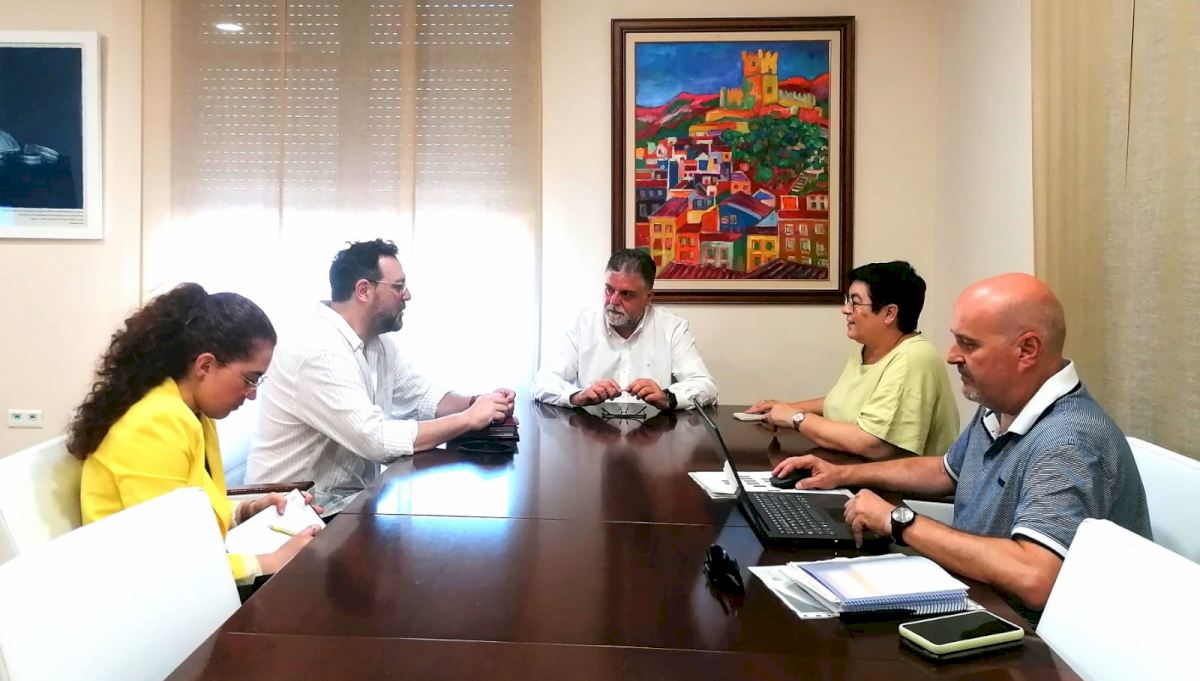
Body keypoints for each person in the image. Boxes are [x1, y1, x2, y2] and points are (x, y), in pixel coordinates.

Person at [772, 273, 1151, 621]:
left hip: (1034, 638)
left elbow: (1035, 577)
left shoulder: (1068, 440)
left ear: (1027, 350)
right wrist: (843, 474)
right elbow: (945, 470)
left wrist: (899, 521)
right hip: (980, 596)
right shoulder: (1002, 405)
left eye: (968, 344)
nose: (951, 355)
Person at [70, 284, 320, 586]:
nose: (252, 394)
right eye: (249, 379)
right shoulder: (155, 424)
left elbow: (186, 517)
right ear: (205, 365)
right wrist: (271, 561)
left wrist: (246, 511)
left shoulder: (192, 412)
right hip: (138, 593)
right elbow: (170, 558)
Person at [244, 239, 516, 515]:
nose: (407, 295)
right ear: (363, 290)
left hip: (342, 505)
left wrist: (479, 403)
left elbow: (421, 396)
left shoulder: (378, 343)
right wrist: (468, 419)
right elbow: (375, 439)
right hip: (288, 516)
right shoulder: (318, 349)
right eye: (398, 286)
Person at [749, 261, 959, 459]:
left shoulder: (913, 358)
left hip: (896, 484)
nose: (845, 309)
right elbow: (844, 401)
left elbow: (872, 443)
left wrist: (795, 417)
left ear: (889, 313)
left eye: (855, 303)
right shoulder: (868, 349)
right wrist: (785, 408)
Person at [531, 249, 718, 411]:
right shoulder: (582, 325)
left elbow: (706, 386)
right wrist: (577, 396)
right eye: (609, 290)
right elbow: (543, 382)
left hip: (654, 435)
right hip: (592, 433)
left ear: (648, 297)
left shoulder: (672, 328)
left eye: (626, 294)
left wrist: (668, 397)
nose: (613, 301)